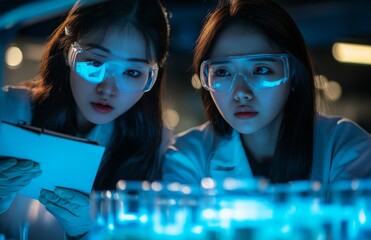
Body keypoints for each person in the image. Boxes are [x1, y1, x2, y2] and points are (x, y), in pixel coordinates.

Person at [0, 0, 170, 239]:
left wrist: (89, 232)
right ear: (67, 52)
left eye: (132, 72)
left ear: (152, 77)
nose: (108, 88)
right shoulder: (7, 112)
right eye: (95, 63)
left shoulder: (157, 146)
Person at [162, 0, 371, 190]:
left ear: (294, 76)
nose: (241, 93)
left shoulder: (346, 147)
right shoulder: (187, 156)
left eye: (261, 70)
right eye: (223, 72)